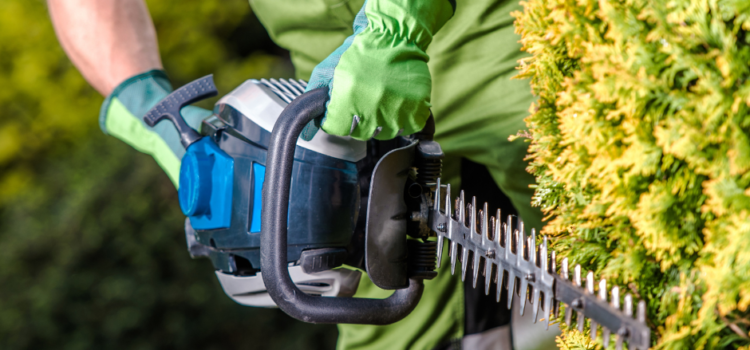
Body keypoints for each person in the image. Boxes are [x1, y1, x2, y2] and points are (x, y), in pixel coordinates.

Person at [48, 0, 543, 349]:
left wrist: (396, 24)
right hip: (330, 104)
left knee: (597, 213)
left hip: (493, 34)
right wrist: (145, 106)